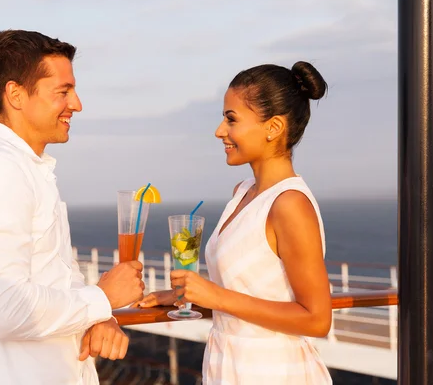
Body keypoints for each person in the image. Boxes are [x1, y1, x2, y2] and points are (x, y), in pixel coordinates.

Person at [0, 30, 145, 385]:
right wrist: (102, 297)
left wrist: (98, 313)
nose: (77, 104)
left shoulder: (26, 168)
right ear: (15, 94)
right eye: (63, 92)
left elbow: (54, 276)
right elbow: (5, 309)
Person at [136, 62, 333, 384]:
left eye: (231, 119)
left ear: (273, 128)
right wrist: (189, 295)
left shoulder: (290, 204)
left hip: (273, 371)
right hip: (228, 363)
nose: (219, 131)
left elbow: (316, 319)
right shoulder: (242, 192)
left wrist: (214, 296)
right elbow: (247, 291)